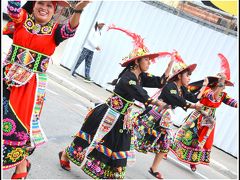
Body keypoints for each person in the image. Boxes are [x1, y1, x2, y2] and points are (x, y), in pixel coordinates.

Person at [58, 27, 174, 179]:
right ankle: (66, 154)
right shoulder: (128, 78)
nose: (149, 62)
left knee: (120, 147)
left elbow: (159, 82)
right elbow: (140, 94)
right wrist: (155, 102)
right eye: (146, 59)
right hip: (108, 115)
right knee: (91, 139)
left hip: (122, 119)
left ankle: (111, 176)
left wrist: (169, 66)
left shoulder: (140, 76)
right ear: (137, 61)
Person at [2, 1, 90, 179]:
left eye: (50, 6)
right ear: (33, 6)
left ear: (54, 10)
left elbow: (71, 29)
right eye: (40, 3)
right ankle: (23, 164)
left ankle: (20, 167)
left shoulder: (56, 31)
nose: (44, 8)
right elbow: (13, 11)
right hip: (7, 77)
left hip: (30, 87)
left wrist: (79, 8)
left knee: (18, 126)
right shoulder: (23, 19)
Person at [134, 53, 209, 179]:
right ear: (179, 76)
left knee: (165, 143)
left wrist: (204, 86)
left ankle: (154, 169)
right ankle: (121, 151)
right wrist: (195, 107)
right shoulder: (170, 86)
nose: (189, 78)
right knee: (139, 136)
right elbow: (178, 101)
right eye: (187, 75)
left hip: (166, 119)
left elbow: (194, 99)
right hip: (155, 116)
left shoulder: (182, 89)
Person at [171, 53, 238, 172]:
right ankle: (167, 151)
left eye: (225, 84)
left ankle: (193, 161)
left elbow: (232, 102)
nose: (224, 86)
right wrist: (221, 84)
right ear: (218, 82)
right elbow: (213, 97)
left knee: (200, 142)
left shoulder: (223, 95)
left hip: (209, 121)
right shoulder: (208, 90)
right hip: (198, 117)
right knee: (186, 135)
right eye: (223, 83)